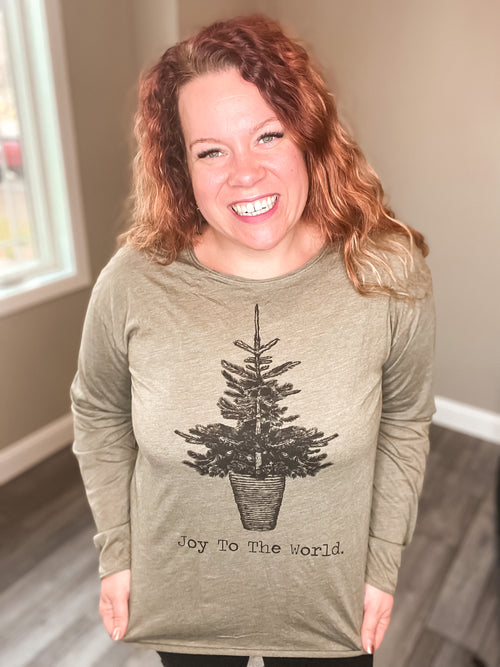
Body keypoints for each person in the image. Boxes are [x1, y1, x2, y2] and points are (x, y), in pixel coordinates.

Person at [71, 14, 435, 667]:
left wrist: (382, 563)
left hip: (330, 611)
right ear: (182, 167)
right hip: (184, 604)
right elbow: (98, 411)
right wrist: (118, 550)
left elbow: (404, 420)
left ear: (308, 137)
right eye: (211, 151)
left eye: (268, 135)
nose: (245, 173)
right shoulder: (133, 281)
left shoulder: (385, 272)